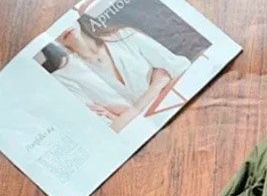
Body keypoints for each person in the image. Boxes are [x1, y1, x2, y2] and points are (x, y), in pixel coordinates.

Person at [43, 13, 190, 132]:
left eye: (59, 19)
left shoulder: (125, 35)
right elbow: (110, 130)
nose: (61, 29)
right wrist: (158, 84)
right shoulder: (63, 79)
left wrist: (124, 115)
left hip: (184, 111)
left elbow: (181, 69)